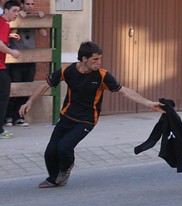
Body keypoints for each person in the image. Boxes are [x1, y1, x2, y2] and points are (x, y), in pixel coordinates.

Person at [19, 41, 165, 188]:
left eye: (100, 59)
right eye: (95, 59)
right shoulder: (67, 71)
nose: (99, 62)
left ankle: (65, 169)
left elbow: (125, 91)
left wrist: (148, 103)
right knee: (50, 151)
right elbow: (45, 85)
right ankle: (53, 179)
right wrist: (29, 102)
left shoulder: (102, 76)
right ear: (84, 59)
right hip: (67, 116)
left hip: (86, 120)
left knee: (64, 147)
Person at [4, 0, 48, 127]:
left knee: (27, 87)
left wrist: (39, 20)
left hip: (31, 57)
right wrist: (20, 20)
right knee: (15, 87)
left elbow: (44, 33)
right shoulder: (15, 17)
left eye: (32, 4)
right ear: (22, 5)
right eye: (27, 4)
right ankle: (8, 117)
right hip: (16, 59)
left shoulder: (34, 17)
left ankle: (19, 117)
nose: (30, 6)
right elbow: (11, 34)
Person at [0, 0, 21, 139]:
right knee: (3, 98)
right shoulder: (4, 23)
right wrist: (12, 52)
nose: (16, 14)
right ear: (6, 10)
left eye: (18, 11)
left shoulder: (4, 24)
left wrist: (8, 36)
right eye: (14, 11)